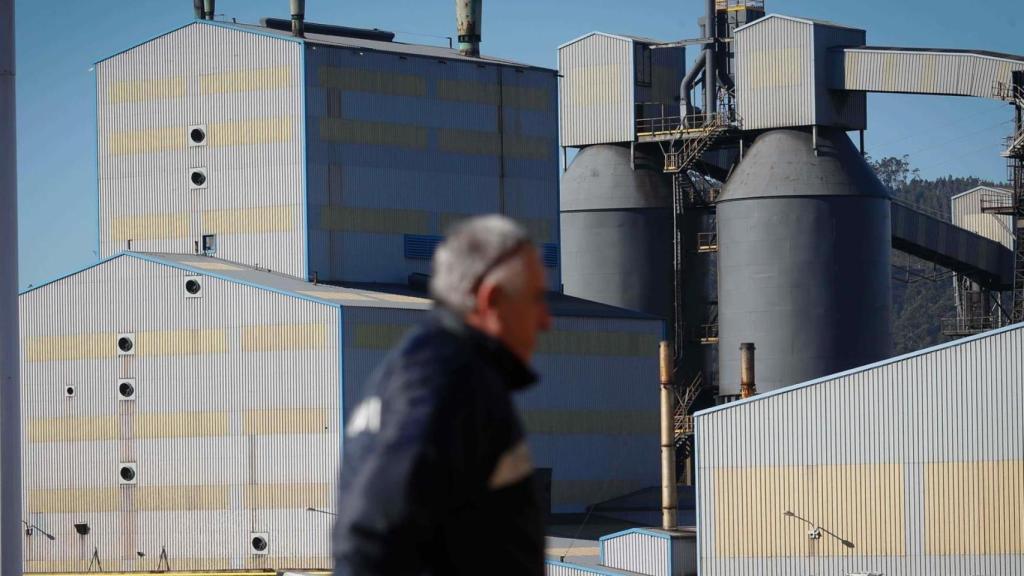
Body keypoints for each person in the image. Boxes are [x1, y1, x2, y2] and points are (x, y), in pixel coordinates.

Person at [332, 215, 551, 576]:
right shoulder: (449, 381)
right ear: (491, 300)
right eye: (536, 298)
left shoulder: (426, 369)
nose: (546, 320)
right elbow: (370, 531)